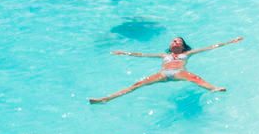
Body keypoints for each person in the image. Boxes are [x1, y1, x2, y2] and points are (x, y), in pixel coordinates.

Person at [90, 36, 242, 105]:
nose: (174, 42)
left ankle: (214, 88)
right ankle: (106, 98)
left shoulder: (186, 54)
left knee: (196, 78)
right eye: (173, 41)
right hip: (162, 74)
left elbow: (209, 47)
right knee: (137, 84)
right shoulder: (164, 55)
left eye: (178, 41)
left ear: (182, 46)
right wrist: (124, 53)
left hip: (178, 72)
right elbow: (142, 55)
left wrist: (230, 42)